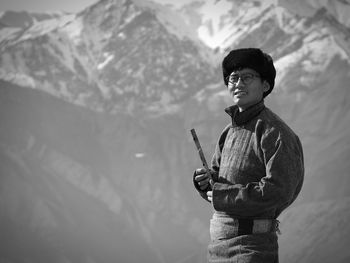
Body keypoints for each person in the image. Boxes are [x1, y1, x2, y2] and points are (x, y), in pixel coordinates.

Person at [193, 48, 304, 263]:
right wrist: (205, 182)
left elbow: (279, 191)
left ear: (265, 85)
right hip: (217, 247)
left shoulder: (275, 132)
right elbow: (217, 183)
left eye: (247, 77)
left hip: (252, 249)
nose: (238, 83)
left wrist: (222, 194)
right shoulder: (228, 132)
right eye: (233, 78)